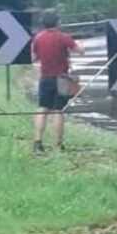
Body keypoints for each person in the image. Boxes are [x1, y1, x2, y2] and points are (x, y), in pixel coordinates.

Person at [31, 11, 82, 153]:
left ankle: (37, 142)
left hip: (45, 78)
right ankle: (59, 144)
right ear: (57, 22)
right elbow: (80, 51)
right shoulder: (63, 37)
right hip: (62, 79)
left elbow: (34, 57)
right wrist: (80, 44)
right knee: (58, 110)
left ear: (43, 24)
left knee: (42, 108)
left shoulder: (38, 38)